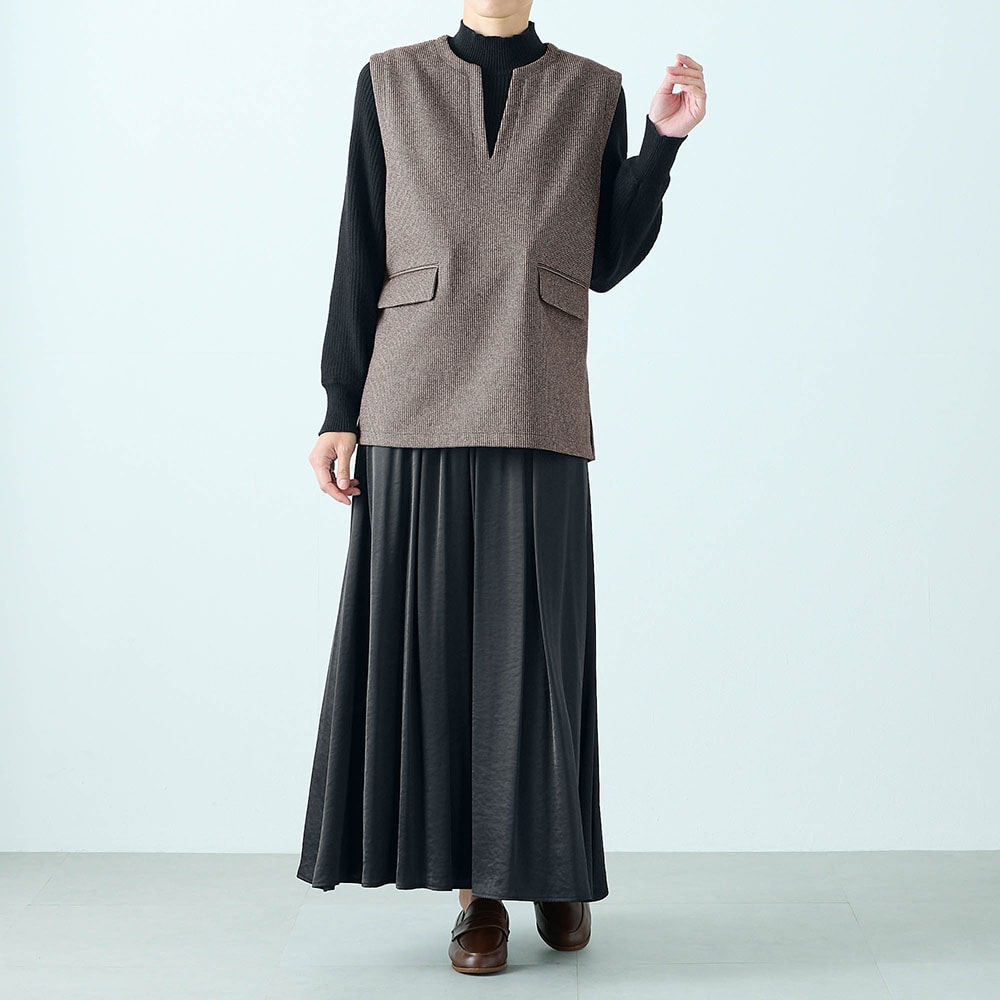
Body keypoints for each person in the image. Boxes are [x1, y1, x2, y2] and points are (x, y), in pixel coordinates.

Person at [296, 2, 706, 975]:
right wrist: (338, 404)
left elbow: (604, 259)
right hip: (412, 401)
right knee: (443, 657)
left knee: (540, 654)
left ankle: (551, 862)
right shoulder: (389, 81)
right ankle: (479, 893)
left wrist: (661, 145)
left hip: (536, 393)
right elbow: (359, 241)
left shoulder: (592, 92)